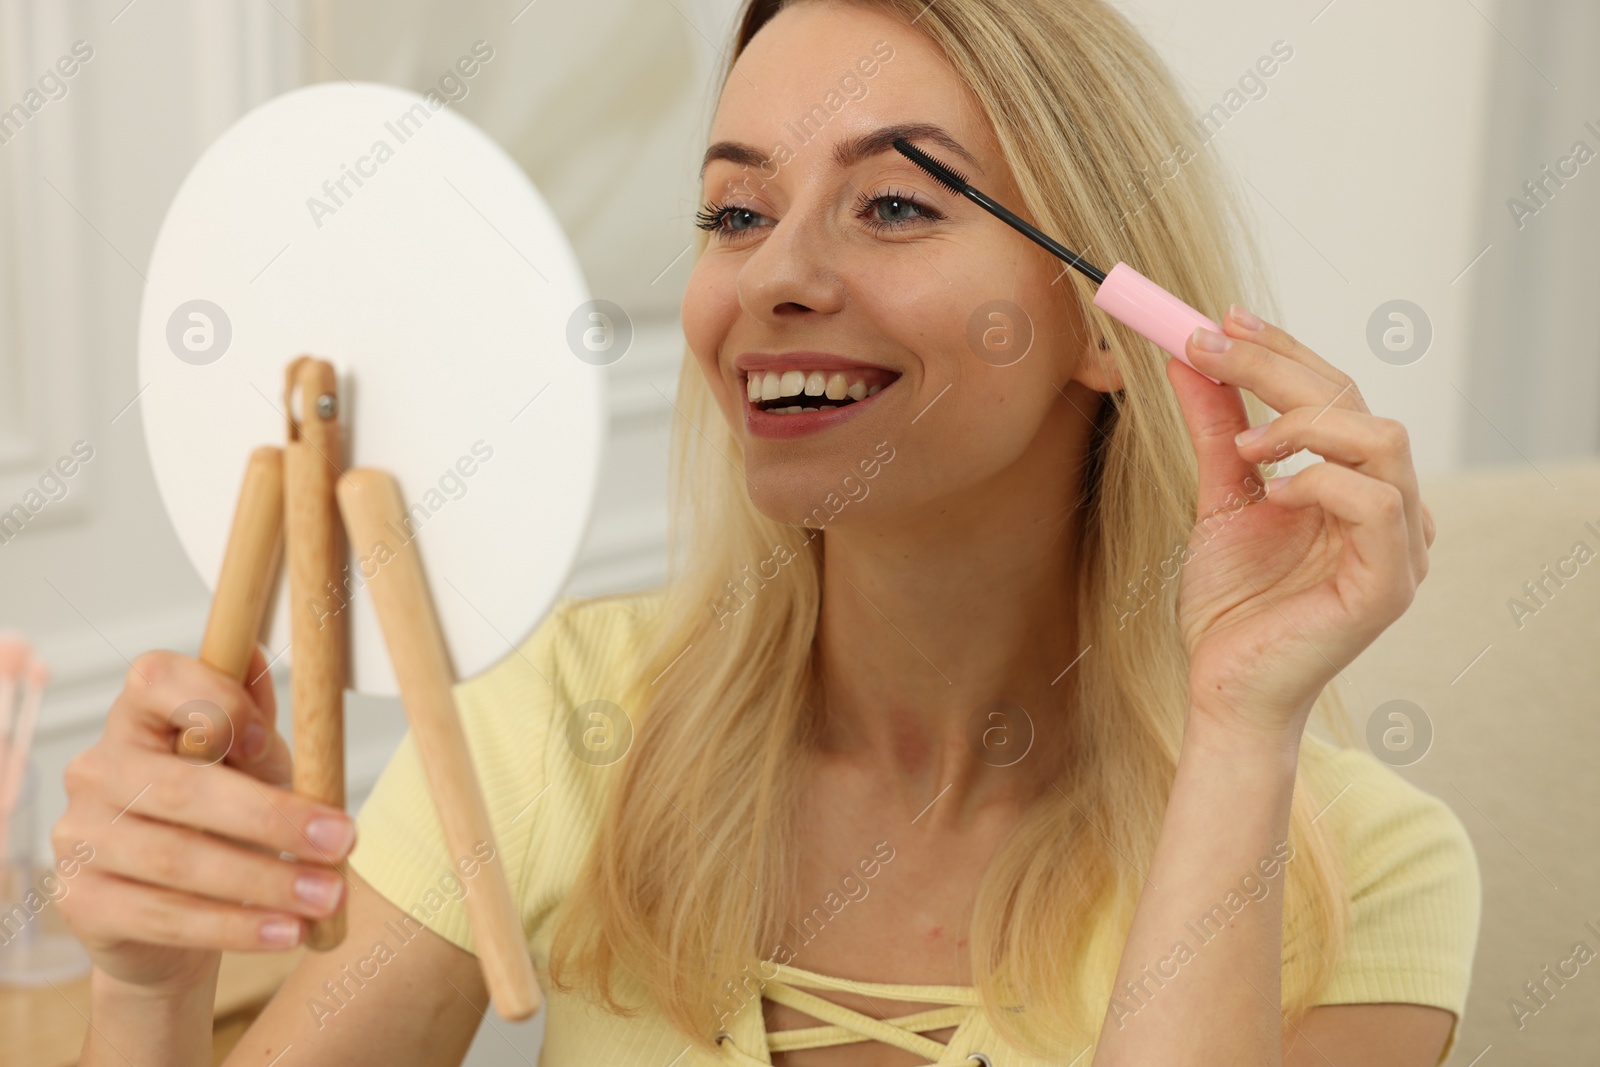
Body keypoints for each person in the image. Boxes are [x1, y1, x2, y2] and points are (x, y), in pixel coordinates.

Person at [55, 0, 1479, 1063]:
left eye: (897, 204)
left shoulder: (1352, 874)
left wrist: (1235, 727)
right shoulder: (561, 726)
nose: (778, 276)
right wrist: (147, 986)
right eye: (736, 210)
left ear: (1110, 328)